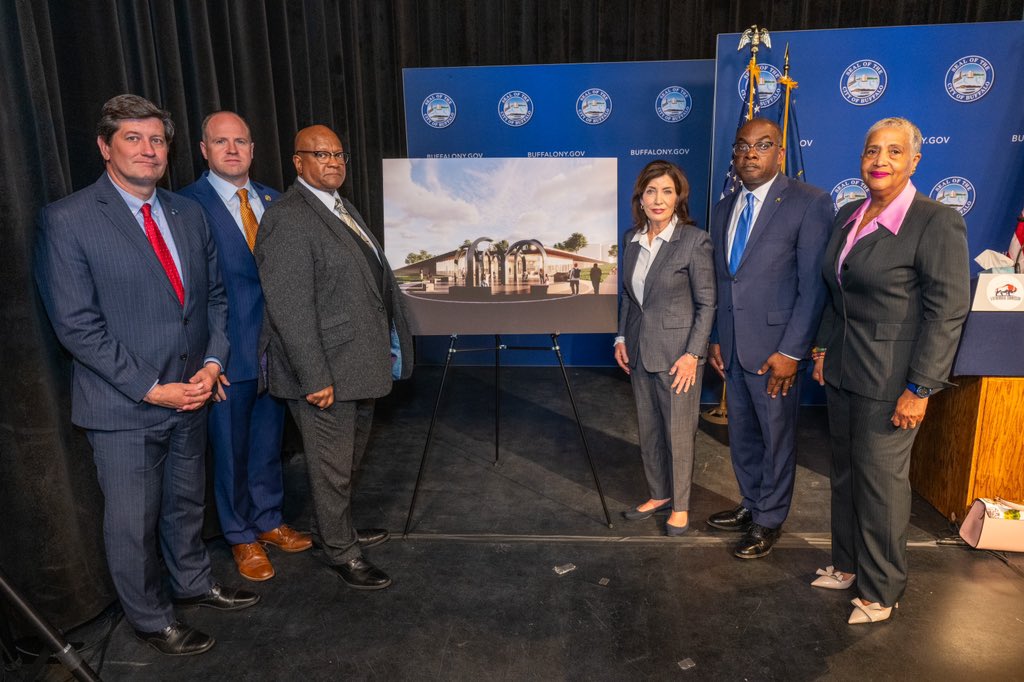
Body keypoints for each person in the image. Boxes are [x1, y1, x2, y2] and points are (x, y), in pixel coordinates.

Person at [34, 94, 258, 657]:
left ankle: (191, 581)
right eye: (133, 138)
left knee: (186, 503)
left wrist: (212, 365)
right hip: (127, 404)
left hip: (193, 393)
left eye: (157, 139)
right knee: (133, 523)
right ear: (105, 147)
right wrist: (150, 387)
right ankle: (150, 618)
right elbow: (77, 326)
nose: (148, 149)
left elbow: (212, 300)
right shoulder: (68, 220)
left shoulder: (189, 213)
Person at [811, 117, 970, 624]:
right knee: (845, 475)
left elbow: (946, 313)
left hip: (892, 381)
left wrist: (920, 387)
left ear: (914, 161)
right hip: (841, 371)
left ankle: (881, 589)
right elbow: (836, 293)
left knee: (881, 485)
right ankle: (846, 563)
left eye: (894, 152)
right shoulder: (846, 214)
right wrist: (821, 351)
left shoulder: (934, 221)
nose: (880, 161)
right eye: (872, 151)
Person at [254, 124, 413, 590]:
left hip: (358, 364)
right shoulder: (287, 217)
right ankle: (341, 550)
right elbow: (290, 307)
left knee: (344, 463)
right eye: (320, 154)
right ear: (297, 161)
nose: (333, 162)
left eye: (339, 154)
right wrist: (313, 376)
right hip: (325, 371)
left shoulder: (338, 207)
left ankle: (334, 528)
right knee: (330, 465)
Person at [178, 111, 311, 583]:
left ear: (253, 149)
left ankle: (270, 520)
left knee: (266, 446)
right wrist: (207, 360)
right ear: (203, 150)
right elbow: (188, 292)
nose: (232, 150)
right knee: (230, 451)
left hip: (275, 354)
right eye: (221, 142)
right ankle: (239, 536)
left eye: (241, 141)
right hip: (226, 356)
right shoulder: (185, 206)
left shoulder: (276, 201)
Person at [705, 118, 834, 559]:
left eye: (762, 146)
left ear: (779, 152)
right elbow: (727, 281)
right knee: (742, 435)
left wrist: (792, 351)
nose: (750, 154)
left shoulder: (808, 203)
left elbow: (812, 286)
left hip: (777, 350)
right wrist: (719, 337)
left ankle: (769, 520)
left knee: (777, 437)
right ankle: (750, 503)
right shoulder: (724, 207)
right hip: (735, 346)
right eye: (742, 147)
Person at [614, 160, 716, 536]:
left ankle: (682, 505)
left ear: (679, 198)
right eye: (651, 191)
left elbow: (707, 304)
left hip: (679, 357)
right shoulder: (631, 239)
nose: (659, 199)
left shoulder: (694, 240)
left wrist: (693, 355)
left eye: (667, 192)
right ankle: (658, 494)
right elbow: (629, 297)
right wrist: (621, 337)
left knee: (678, 432)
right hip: (640, 351)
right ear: (640, 197)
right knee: (650, 430)